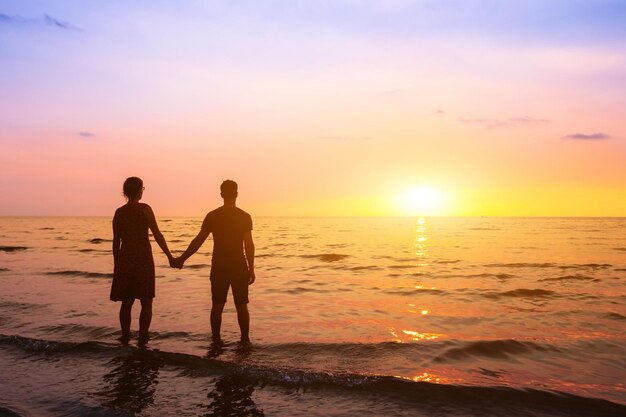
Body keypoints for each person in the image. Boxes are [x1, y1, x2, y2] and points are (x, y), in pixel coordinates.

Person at [172, 180, 256, 344]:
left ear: (221, 194)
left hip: (219, 265)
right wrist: (251, 269)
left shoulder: (213, 216)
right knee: (241, 305)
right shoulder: (245, 216)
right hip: (239, 264)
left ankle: (216, 341)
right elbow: (249, 244)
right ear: (237, 194)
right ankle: (245, 341)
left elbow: (198, 241)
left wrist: (182, 259)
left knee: (217, 305)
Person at [111, 177, 173, 343]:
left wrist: (117, 265)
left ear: (125, 192)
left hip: (125, 258)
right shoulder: (145, 209)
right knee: (146, 301)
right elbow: (157, 234)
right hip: (143, 258)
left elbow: (116, 242)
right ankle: (143, 337)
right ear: (139, 191)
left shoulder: (119, 212)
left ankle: (125, 337)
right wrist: (169, 256)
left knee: (127, 301)